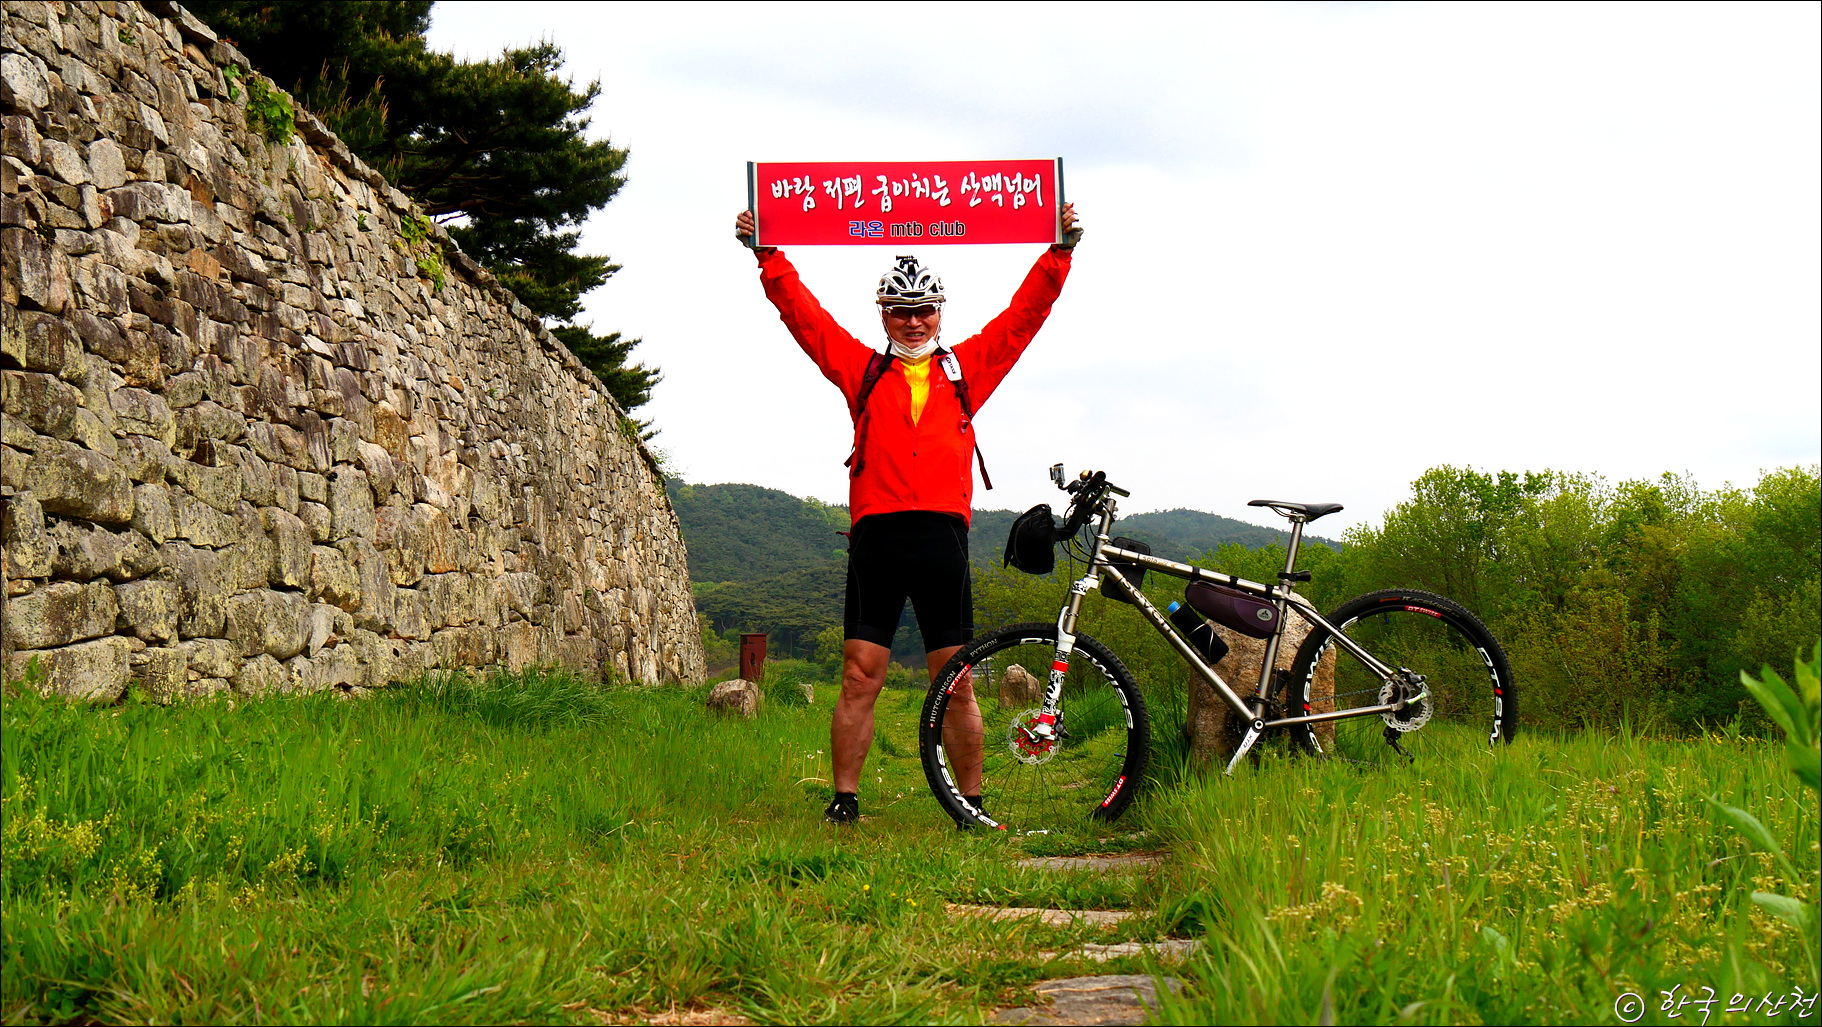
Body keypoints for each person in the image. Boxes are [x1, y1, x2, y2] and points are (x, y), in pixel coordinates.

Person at [732, 203, 1083, 825]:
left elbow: (1022, 319)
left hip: (942, 538)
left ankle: (970, 805)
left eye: (924, 309)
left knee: (957, 681)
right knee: (859, 675)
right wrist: (768, 256)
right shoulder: (863, 371)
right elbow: (806, 320)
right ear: (883, 315)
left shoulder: (967, 370)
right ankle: (844, 800)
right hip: (878, 538)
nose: (914, 321)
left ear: (940, 312)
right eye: (900, 310)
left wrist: (1059, 253)